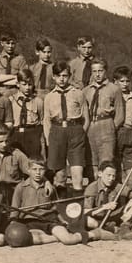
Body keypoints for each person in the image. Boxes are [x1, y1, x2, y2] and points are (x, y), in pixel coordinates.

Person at [9, 158, 116, 246]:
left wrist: (62, 220)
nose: (37, 173)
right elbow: (15, 208)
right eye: (34, 169)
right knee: (29, 239)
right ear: (28, 170)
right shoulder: (21, 187)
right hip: (29, 221)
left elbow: (57, 207)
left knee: (68, 240)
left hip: (48, 220)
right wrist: (13, 223)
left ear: (45, 170)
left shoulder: (50, 188)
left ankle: (93, 234)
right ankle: (55, 238)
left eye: (41, 169)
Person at [43, 61, 89, 193]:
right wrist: (48, 140)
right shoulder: (49, 97)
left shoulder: (78, 93)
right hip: (57, 132)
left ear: (69, 76)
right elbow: (46, 120)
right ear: (54, 77)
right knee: (60, 175)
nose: (62, 79)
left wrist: (81, 134)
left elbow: (86, 118)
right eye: (58, 76)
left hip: (75, 131)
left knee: (77, 174)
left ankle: (77, 208)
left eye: (65, 75)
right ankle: (61, 207)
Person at [82, 59, 125, 179]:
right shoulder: (85, 91)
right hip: (91, 126)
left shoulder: (114, 89)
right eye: (94, 71)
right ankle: (94, 192)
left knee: (106, 163)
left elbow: (120, 115)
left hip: (106, 126)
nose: (97, 74)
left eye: (100, 71)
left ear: (105, 71)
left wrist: (110, 128)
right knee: (92, 163)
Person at [84, 161, 132, 239]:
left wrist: (129, 213)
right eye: (108, 175)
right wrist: (104, 207)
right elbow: (85, 211)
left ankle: (122, 227)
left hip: (112, 216)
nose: (111, 179)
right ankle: (115, 230)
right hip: (97, 218)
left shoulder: (116, 185)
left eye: (113, 176)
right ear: (100, 174)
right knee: (89, 221)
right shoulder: (92, 188)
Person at [113, 65, 132, 191]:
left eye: (127, 81)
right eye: (121, 81)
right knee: (116, 172)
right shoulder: (113, 96)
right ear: (115, 81)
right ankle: (116, 203)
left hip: (131, 135)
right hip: (116, 134)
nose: (125, 84)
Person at [9, 69, 45, 159]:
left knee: (32, 161)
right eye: (24, 84)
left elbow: (41, 120)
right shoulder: (11, 100)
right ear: (18, 84)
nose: (27, 88)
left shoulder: (38, 101)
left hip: (32, 135)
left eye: (30, 84)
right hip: (15, 134)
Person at [0, 31, 28, 97]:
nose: (10, 46)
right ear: (2, 43)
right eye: (8, 43)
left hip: (15, 92)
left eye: (13, 43)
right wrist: (14, 76)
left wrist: (2, 79)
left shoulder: (20, 59)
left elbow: (23, 79)